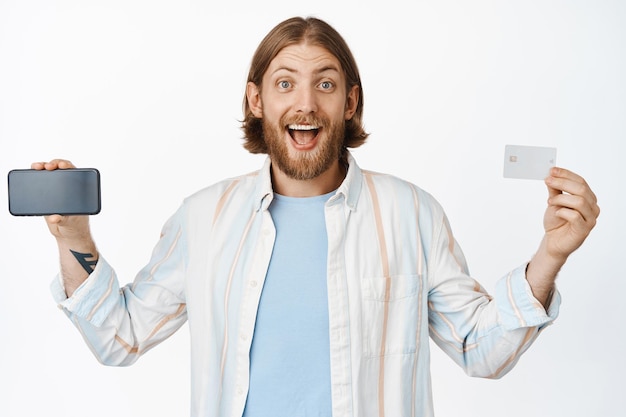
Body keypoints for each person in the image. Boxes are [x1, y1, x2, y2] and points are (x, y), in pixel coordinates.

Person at [34, 16, 599, 417]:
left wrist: (550, 256)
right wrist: (73, 237)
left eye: (324, 84)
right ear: (257, 100)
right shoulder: (203, 218)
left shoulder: (411, 213)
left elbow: (481, 350)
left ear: (349, 102)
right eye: (285, 84)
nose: (305, 103)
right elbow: (120, 337)